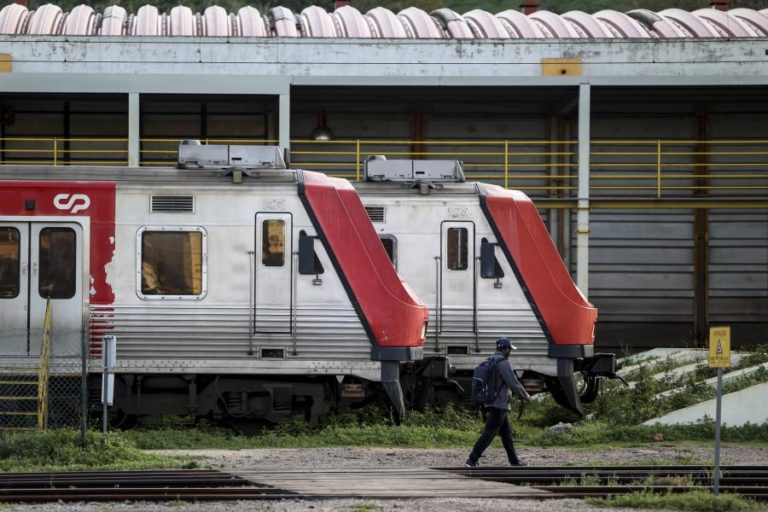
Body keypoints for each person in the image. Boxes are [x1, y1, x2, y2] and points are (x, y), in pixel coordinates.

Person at [465, 337, 531, 468]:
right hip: (499, 403)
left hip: (493, 402)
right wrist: (525, 395)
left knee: (507, 435)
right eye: (510, 349)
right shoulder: (503, 363)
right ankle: (472, 460)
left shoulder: (491, 359)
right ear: (505, 349)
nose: (510, 352)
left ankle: (514, 463)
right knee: (490, 432)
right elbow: (512, 382)